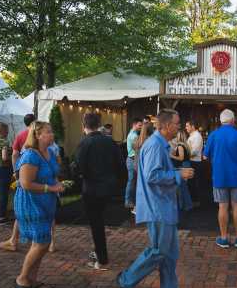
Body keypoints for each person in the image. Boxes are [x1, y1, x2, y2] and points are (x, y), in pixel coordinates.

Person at [117, 109, 194, 288]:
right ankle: (126, 280)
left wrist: (177, 173)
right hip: (158, 207)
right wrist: (178, 175)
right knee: (159, 252)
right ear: (167, 126)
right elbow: (152, 176)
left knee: (169, 255)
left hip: (163, 206)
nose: (179, 127)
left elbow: (155, 172)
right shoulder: (155, 145)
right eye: (177, 123)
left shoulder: (159, 144)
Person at [14, 121, 65, 288]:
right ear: (37, 135)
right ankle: (22, 278)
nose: (52, 134)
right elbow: (25, 183)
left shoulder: (49, 151)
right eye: (48, 132)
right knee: (42, 242)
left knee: (42, 243)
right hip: (31, 203)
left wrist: (57, 184)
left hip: (46, 202)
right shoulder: (30, 155)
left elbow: (52, 173)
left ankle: (32, 279)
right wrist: (50, 187)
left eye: (51, 131)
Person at [74, 113, 123, 271]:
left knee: (96, 224)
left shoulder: (84, 143)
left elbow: (78, 168)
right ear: (99, 124)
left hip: (92, 189)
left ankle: (102, 259)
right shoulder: (110, 142)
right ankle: (98, 251)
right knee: (98, 221)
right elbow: (120, 165)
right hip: (108, 188)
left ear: (84, 126)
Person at [203, 109, 237, 249]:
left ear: (220, 120)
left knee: (222, 206)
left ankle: (223, 238)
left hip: (219, 175)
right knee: (236, 205)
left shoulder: (213, 135)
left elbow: (205, 156)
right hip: (236, 174)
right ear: (233, 120)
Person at [0, 114, 36, 251]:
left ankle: (16, 240)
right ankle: (18, 240)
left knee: (23, 208)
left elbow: (14, 154)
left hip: (25, 174)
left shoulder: (21, 135)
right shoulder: (42, 134)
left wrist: (16, 172)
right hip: (39, 175)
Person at [170, 130, 193, 213]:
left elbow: (181, 158)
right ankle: (187, 205)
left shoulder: (180, 146)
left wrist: (171, 155)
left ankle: (185, 206)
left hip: (183, 166)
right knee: (184, 187)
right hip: (186, 164)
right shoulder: (185, 145)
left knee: (182, 187)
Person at [125, 118, 143, 211]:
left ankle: (130, 201)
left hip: (133, 160)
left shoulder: (134, 134)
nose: (141, 127)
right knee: (132, 182)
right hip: (132, 160)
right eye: (139, 125)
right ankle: (128, 202)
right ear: (134, 125)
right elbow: (138, 147)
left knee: (133, 182)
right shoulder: (133, 136)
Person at [186, 120, 203, 206]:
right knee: (191, 183)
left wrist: (184, 155)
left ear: (193, 127)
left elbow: (195, 151)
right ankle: (193, 201)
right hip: (191, 161)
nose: (186, 128)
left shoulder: (197, 136)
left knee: (194, 183)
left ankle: (196, 202)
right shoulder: (192, 136)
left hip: (195, 162)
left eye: (187, 126)